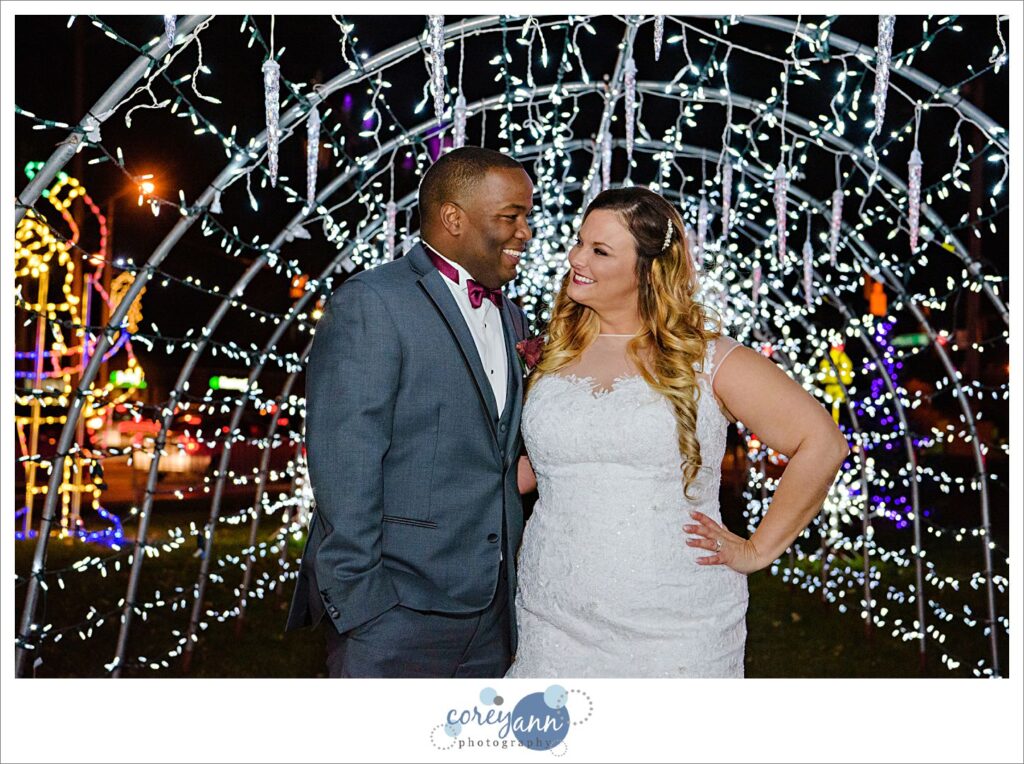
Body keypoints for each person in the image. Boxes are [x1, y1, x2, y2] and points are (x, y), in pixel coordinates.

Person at [506, 186, 849, 678]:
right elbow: (540, 469)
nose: (576, 258)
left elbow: (822, 443)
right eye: (580, 241)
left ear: (648, 270)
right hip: (551, 616)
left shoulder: (707, 358)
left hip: (675, 625)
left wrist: (757, 549)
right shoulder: (554, 352)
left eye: (600, 250)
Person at [286, 146, 535, 677]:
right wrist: (364, 604)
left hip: (494, 612)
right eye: (510, 217)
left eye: (527, 217)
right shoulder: (373, 302)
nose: (525, 233)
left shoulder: (512, 317)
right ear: (453, 219)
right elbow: (346, 459)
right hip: (396, 611)